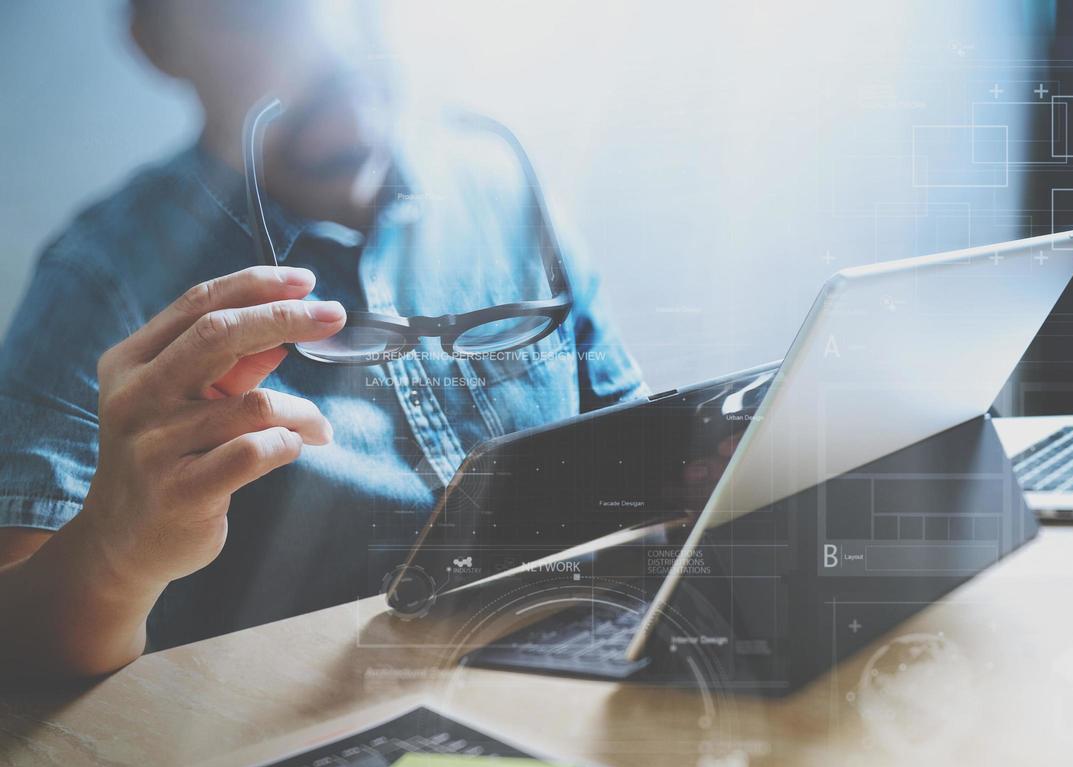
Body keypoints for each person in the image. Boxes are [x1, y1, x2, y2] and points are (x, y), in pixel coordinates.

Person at [0, 0, 646, 678]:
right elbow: (15, 651)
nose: (330, 43)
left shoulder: (500, 179)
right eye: (258, 13)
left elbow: (644, 448)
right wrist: (111, 553)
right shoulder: (100, 282)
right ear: (155, 43)